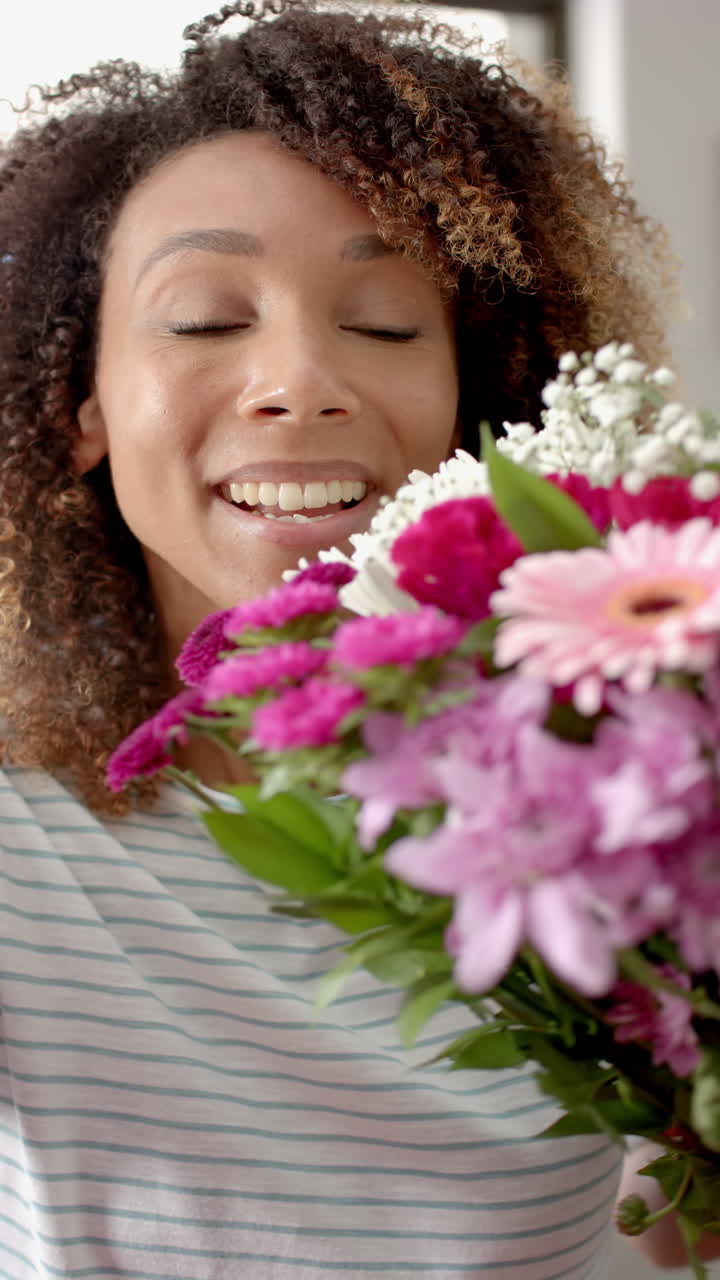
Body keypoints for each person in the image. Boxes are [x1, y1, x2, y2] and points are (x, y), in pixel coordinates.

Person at [0, 1, 700, 1274]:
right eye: (208, 318)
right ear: (80, 402)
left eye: (382, 323)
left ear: (471, 398)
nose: (303, 379)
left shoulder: (631, 773)